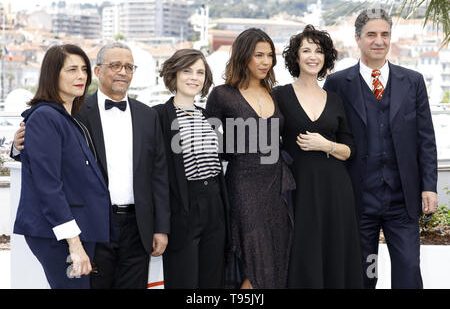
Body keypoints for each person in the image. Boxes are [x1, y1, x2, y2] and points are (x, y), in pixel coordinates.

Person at [13, 42, 170, 289]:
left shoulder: (148, 115)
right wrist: (17, 146)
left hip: (137, 227)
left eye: (129, 67)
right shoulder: (73, 110)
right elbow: (48, 169)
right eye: (115, 65)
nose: (123, 72)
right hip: (90, 225)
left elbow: (158, 174)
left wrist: (160, 227)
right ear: (99, 71)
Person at [323, 8, 438, 289]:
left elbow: (426, 139)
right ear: (357, 39)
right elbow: (329, 136)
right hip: (359, 199)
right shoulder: (338, 83)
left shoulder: (412, 81)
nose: (379, 41)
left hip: (402, 199)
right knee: (364, 274)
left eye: (385, 34)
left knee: (408, 269)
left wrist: (429, 186)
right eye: (371, 34)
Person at [13, 44, 113, 289]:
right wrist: (74, 243)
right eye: (71, 70)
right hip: (60, 234)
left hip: (77, 229)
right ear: (52, 74)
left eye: (83, 70)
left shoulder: (66, 118)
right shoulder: (46, 117)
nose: (81, 76)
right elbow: (48, 184)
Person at [274, 25, 364, 288]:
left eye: (319, 51)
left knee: (335, 251)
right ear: (296, 57)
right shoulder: (279, 95)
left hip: (335, 189)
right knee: (302, 251)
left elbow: (349, 150)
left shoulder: (334, 99)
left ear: (325, 58)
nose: (313, 56)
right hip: (297, 188)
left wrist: (326, 145)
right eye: (306, 50)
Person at [206, 28, 296, 289]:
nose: (266, 61)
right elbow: (211, 145)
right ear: (244, 56)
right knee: (254, 259)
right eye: (259, 55)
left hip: (278, 189)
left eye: (269, 55)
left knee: (277, 255)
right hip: (243, 188)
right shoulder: (222, 95)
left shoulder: (274, 94)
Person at [153, 49, 230, 288]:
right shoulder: (158, 116)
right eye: (187, 71)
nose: (194, 77)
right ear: (173, 74)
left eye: (200, 72)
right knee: (183, 281)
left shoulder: (209, 118)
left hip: (215, 206)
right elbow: (156, 176)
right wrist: (160, 226)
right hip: (183, 209)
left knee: (212, 282)